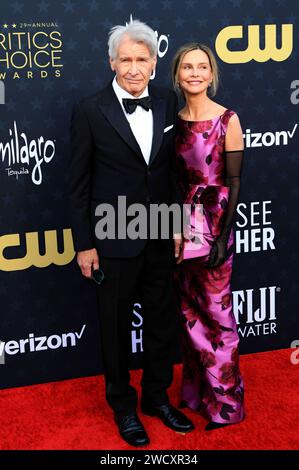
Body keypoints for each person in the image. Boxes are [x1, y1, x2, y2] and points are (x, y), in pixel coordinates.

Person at [69, 20, 194, 447]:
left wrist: (177, 225)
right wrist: (84, 244)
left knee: (162, 322)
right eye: (126, 59)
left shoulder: (166, 99)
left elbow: (171, 173)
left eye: (142, 59)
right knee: (115, 326)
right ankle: (123, 407)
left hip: (159, 232)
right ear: (111, 62)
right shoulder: (90, 109)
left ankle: (156, 397)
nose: (134, 67)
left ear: (155, 64)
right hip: (112, 234)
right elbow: (79, 184)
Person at [172, 43, 245, 430]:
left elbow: (234, 181)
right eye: (188, 67)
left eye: (203, 67)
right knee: (187, 311)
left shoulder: (227, 119)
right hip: (180, 226)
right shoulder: (174, 119)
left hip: (215, 223)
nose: (196, 73)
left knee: (217, 316)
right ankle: (196, 393)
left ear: (212, 74)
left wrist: (223, 235)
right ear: (177, 74)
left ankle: (226, 404)